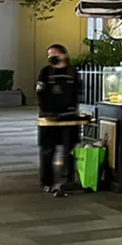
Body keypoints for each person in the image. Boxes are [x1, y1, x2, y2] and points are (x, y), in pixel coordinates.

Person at [36, 44, 79, 193]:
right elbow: (40, 93)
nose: (51, 57)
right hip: (49, 118)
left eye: (55, 54)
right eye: (49, 55)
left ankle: (67, 180)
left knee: (69, 150)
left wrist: (73, 109)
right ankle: (46, 182)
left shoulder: (72, 72)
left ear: (64, 55)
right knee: (47, 151)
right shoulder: (45, 72)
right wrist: (46, 112)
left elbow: (77, 92)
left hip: (69, 117)